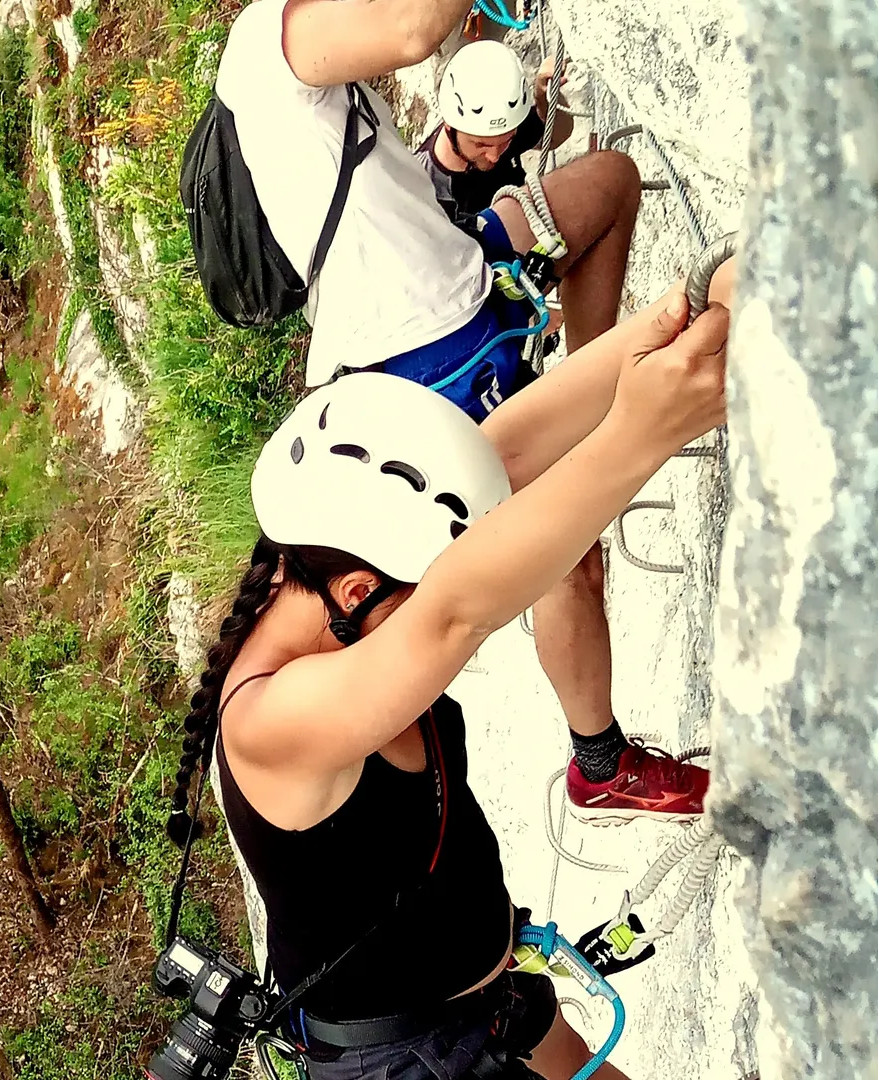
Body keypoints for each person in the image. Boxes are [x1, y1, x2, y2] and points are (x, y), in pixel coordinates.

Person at [167, 271, 733, 1079]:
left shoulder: (339, 579)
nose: (448, 576)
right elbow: (454, 611)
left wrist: (681, 317)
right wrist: (645, 433)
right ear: (360, 592)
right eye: (428, 574)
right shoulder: (270, 723)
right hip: (409, 1062)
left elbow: (504, 451)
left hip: (490, 999)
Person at [216, 0, 699, 819]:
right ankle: (600, 761)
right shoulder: (272, 40)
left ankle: (594, 399)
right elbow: (411, 31)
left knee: (607, 190)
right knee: (563, 553)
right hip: (416, 357)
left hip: (461, 260)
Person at [418, 40, 571, 234]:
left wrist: (544, 97)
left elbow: (557, 136)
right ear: (449, 127)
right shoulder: (425, 188)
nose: (494, 156)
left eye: (506, 141)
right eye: (480, 144)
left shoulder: (498, 128)